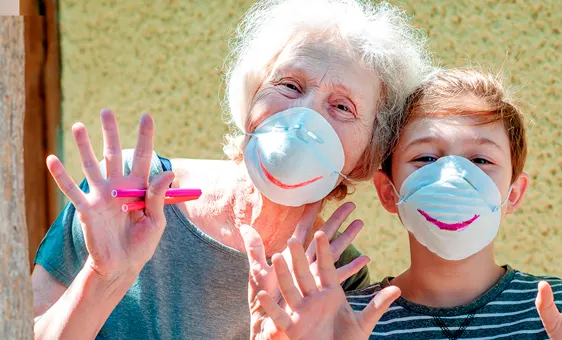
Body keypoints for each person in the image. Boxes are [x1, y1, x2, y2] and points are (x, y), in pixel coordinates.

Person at [30, 0, 432, 338]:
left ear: (366, 154)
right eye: (290, 85)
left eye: (342, 107)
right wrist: (102, 279)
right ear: (251, 97)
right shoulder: (129, 193)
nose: (304, 114)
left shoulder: (334, 278)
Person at [243, 68, 562, 339]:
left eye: (481, 160)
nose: (453, 176)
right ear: (389, 192)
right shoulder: (341, 319)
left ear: (513, 193)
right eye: (426, 158)